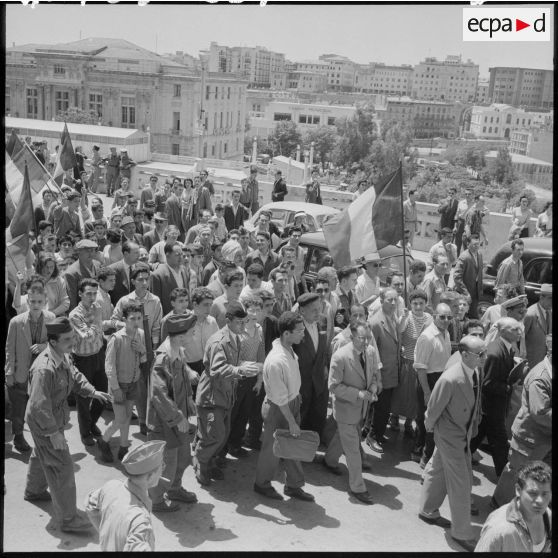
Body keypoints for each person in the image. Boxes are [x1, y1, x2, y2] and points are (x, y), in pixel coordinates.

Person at [24, 317, 110, 532]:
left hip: (53, 418)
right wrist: (53, 433)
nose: (73, 342)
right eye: (68, 339)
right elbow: (38, 406)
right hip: (45, 423)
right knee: (62, 467)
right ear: (53, 342)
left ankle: (33, 491)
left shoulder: (62, 355)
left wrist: (91, 390)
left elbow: (74, 375)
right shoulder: (44, 369)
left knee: (41, 454)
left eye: (73, 337)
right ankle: (68, 520)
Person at [418, 336, 485, 553]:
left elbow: (475, 400)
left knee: (437, 470)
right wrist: (432, 431)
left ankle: (428, 510)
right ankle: (462, 532)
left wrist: (474, 425)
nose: (484, 358)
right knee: (462, 483)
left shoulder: (475, 370)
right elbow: (433, 409)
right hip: (448, 435)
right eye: (480, 354)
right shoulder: (449, 379)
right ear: (465, 355)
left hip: (462, 433)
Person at [193, 302, 260, 486]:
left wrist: (243, 367)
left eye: (244, 322)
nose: (243, 326)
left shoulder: (236, 337)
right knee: (214, 435)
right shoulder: (219, 341)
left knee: (222, 434)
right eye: (239, 322)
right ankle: (201, 463)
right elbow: (217, 369)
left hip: (225, 394)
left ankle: (210, 461)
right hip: (212, 395)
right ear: (228, 321)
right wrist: (240, 371)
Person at [253, 311, 314, 502]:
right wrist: (292, 422)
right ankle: (261, 484)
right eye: (300, 331)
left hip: (290, 403)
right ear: (286, 334)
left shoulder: (289, 348)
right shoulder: (275, 361)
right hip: (279, 409)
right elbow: (280, 399)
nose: (303, 334)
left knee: (292, 446)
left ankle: (294, 486)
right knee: (272, 450)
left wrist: (297, 397)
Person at [146, 313, 199, 512]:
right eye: (192, 332)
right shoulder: (163, 359)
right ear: (180, 336)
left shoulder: (178, 351)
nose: (194, 334)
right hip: (164, 423)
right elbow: (158, 394)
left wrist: (189, 400)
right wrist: (177, 418)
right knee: (166, 465)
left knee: (184, 457)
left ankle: (175, 488)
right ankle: (157, 500)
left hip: (179, 418)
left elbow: (182, 379)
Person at [324, 322, 381, 504]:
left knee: (342, 437)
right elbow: (333, 386)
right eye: (361, 338)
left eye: (368, 338)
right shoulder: (340, 356)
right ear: (352, 337)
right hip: (346, 409)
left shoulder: (370, 351)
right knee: (353, 449)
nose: (365, 342)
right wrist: (359, 394)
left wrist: (373, 388)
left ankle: (330, 461)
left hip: (361, 408)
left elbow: (373, 376)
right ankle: (358, 487)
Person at [492, 335, 552, 508]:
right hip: (529, 438)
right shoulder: (539, 378)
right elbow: (540, 412)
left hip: (543, 439)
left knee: (534, 476)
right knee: (517, 473)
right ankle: (500, 505)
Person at [85, 440, 166, 551]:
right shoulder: (140, 519)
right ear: (150, 476)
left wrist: (105, 535)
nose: (163, 469)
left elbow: (90, 505)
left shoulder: (111, 485)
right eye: (162, 466)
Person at [113, 263, 163, 435]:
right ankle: (136, 420)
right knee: (134, 385)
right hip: (128, 347)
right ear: (133, 281)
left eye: (146, 279)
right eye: (140, 279)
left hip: (147, 347)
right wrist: (128, 326)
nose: (143, 282)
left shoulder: (155, 300)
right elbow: (114, 320)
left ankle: (149, 419)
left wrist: (154, 349)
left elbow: (156, 326)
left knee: (149, 385)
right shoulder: (125, 301)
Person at [470, 317, 523, 478]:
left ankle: (451, 461)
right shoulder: (494, 352)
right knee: (500, 445)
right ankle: (506, 482)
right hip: (490, 408)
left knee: (473, 441)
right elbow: (487, 384)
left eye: (519, 328)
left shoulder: (507, 348)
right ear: (501, 331)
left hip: (493, 409)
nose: (519, 332)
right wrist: (509, 387)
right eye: (514, 329)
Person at [5, 285, 55, 453]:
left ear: (45, 302)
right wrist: (9, 372)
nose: (35, 304)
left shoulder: (51, 318)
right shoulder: (16, 322)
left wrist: (44, 346)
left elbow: (57, 345)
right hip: (21, 373)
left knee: (40, 406)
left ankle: (43, 436)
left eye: (39, 301)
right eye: (32, 301)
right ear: (28, 302)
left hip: (42, 373)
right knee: (18, 407)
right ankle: (18, 436)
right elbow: (9, 349)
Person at [97, 301, 146, 463]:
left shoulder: (141, 335)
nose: (136, 321)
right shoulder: (116, 338)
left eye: (138, 318)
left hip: (133, 383)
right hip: (119, 385)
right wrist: (115, 388)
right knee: (120, 419)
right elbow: (109, 366)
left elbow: (144, 359)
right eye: (132, 318)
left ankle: (123, 446)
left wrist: (141, 349)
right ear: (124, 319)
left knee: (126, 418)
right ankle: (103, 440)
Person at [475, 461, 552, 552]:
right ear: (518, 490)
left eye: (545, 494)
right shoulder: (499, 530)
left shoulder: (547, 515)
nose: (540, 501)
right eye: (533, 493)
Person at [224, 296, 265, 457]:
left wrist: (260, 379)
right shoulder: (239, 331)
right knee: (232, 413)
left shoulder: (259, 329)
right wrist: (245, 368)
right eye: (251, 309)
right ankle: (224, 446)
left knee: (245, 413)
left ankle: (236, 443)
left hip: (253, 378)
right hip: (238, 377)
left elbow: (261, 356)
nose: (255, 313)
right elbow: (233, 358)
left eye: (258, 309)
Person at [413, 303, 452, 467]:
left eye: (449, 317)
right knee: (427, 420)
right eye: (442, 317)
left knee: (430, 419)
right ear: (434, 316)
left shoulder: (446, 333)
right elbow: (420, 368)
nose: (446, 320)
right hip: (428, 380)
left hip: (440, 378)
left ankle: (420, 450)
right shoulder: (427, 337)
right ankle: (424, 457)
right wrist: (427, 392)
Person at [69, 278, 107, 447]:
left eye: (94, 293)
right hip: (82, 360)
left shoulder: (96, 308)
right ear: (80, 294)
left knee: (102, 394)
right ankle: (85, 432)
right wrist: (98, 319)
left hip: (98, 356)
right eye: (88, 293)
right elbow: (88, 337)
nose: (92, 297)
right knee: (84, 398)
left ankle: (91, 424)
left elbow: (99, 333)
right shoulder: (75, 315)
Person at [392, 290, 432, 445]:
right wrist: (403, 316)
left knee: (415, 398)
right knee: (402, 394)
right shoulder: (407, 316)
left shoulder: (429, 318)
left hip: (421, 363)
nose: (418, 306)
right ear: (411, 304)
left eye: (421, 303)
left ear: (426, 304)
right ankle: (394, 418)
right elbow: (400, 330)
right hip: (407, 361)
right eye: (415, 303)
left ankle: (409, 423)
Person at [367, 288, 401, 454]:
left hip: (392, 371)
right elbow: (371, 353)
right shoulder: (375, 323)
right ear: (381, 301)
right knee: (381, 408)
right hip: (382, 374)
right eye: (390, 300)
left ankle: (373, 432)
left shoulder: (394, 318)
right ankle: (373, 436)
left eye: (396, 299)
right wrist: (376, 377)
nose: (393, 303)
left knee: (382, 407)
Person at [293, 292, 329, 438]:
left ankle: (314, 443)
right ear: (302, 311)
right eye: (314, 310)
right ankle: (297, 447)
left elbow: (323, 348)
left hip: (319, 380)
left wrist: (325, 365)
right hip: (302, 381)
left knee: (318, 413)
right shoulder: (294, 327)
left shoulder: (322, 322)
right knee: (301, 415)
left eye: (319, 308)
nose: (318, 312)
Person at [149, 242, 189, 316]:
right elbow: (156, 304)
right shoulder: (157, 276)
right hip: (168, 319)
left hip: (185, 317)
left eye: (181, 254)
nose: (180, 257)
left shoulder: (184, 271)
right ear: (167, 256)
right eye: (177, 255)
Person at [453, 233, 484, 319]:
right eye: (474, 244)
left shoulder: (479, 254)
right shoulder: (464, 257)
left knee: (473, 316)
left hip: (476, 292)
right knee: (462, 316)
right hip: (465, 293)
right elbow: (457, 276)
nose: (476, 246)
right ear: (468, 244)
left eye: (478, 244)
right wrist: (465, 292)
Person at [523, 284, 552, 369]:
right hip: (531, 363)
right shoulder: (530, 314)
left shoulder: (550, 312)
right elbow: (520, 339)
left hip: (546, 362)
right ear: (541, 297)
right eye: (550, 298)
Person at [34, 252, 70, 316]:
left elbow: (66, 303)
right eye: (46, 267)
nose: (49, 270)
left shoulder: (60, 281)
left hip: (55, 316)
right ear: (40, 266)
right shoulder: (33, 280)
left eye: (51, 267)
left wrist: (52, 314)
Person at [109, 240, 140, 305]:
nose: (139, 255)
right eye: (136, 253)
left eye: (138, 252)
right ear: (126, 254)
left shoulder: (143, 267)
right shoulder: (112, 269)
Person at [454, 189, 473, 256]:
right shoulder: (461, 203)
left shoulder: (475, 204)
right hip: (460, 222)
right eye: (466, 194)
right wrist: (455, 226)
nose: (467, 195)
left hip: (469, 224)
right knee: (457, 242)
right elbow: (457, 214)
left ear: (472, 195)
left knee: (467, 242)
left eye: (469, 194)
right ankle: (456, 261)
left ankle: (466, 260)